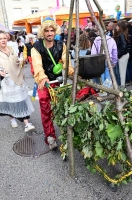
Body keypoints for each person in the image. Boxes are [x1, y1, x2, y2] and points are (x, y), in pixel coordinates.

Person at [31, 17, 74, 150]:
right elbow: (37, 65)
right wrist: (42, 78)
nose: (49, 33)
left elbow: (66, 62)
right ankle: (50, 136)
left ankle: (68, 132)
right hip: (45, 82)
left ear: (55, 31)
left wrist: (73, 73)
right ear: (42, 32)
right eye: (47, 31)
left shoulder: (61, 44)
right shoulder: (36, 47)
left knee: (66, 106)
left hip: (59, 81)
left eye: (52, 30)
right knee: (46, 109)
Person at [0, 30, 35, 132]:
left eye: (4, 38)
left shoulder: (12, 49)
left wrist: (21, 60)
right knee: (10, 102)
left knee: (21, 100)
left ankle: (27, 123)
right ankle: (12, 117)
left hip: (16, 79)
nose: (3, 40)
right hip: (5, 82)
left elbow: (16, 61)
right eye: (0, 39)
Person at [113, 20, 130, 87]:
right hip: (124, 55)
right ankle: (122, 86)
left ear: (120, 27)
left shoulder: (121, 35)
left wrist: (119, 55)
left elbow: (123, 46)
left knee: (122, 72)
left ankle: (122, 86)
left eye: (117, 26)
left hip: (123, 55)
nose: (116, 27)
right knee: (121, 72)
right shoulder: (123, 34)